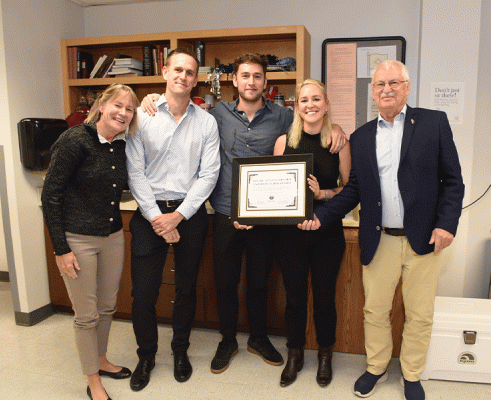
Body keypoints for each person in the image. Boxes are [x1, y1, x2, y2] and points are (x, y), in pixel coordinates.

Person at [140, 53, 346, 375]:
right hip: (224, 210)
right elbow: (176, 100)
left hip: (265, 216)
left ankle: (259, 338)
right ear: (234, 81)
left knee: (260, 282)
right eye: (245, 76)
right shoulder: (214, 114)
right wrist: (152, 97)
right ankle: (227, 340)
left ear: (266, 83)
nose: (251, 82)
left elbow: (312, 126)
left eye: (258, 77)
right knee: (225, 282)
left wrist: (340, 130)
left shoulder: (281, 117)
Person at [299, 60, 464, 400]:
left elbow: (453, 181)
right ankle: (376, 367)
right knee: (375, 310)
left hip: (424, 239)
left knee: (419, 314)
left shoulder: (434, 123)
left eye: (394, 82)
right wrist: (323, 216)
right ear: (372, 92)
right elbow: (355, 189)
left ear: (406, 86)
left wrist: (447, 225)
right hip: (379, 237)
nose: (386, 89)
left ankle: (412, 374)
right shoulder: (361, 137)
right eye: (379, 84)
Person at [126, 48, 220, 392]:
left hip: (189, 215)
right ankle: (146, 356)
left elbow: (209, 174)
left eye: (190, 72)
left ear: (196, 80)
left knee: (185, 289)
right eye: (178, 69)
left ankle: (180, 351)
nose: (183, 76)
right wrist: (157, 218)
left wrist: (178, 216)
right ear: (165, 72)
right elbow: (134, 171)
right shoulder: (142, 115)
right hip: (148, 215)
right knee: (144, 294)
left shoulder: (206, 121)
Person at [42, 83, 140, 400]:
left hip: (112, 236)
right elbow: (51, 195)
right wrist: (61, 249)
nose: (123, 113)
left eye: (130, 109)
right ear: (102, 103)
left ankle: (101, 359)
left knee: (108, 306)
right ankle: (93, 379)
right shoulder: (74, 140)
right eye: (118, 105)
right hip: (77, 239)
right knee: (87, 315)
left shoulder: (121, 145)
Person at [273, 79, 351, 387]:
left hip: (327, 233)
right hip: (290, 235)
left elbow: (349, 190)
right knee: (293, 298)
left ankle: (324, 355)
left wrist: (323, 195)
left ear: (326, 104)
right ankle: (295, 354)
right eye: (304, 100)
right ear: (297, 106)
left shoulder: (338, 141)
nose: (310, 105)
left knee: (324, 298)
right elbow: (276, 189)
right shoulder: (283, 142)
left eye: (316, 99)